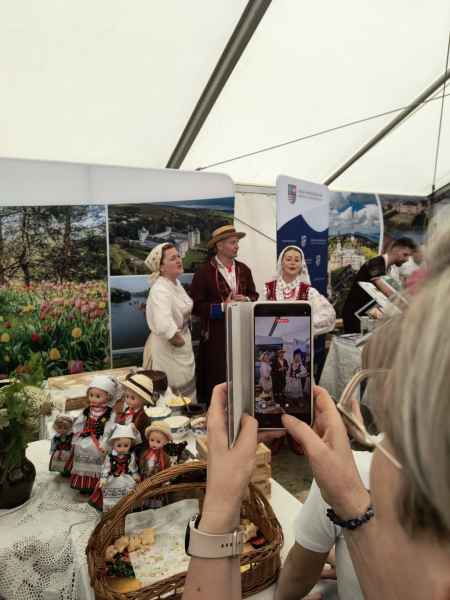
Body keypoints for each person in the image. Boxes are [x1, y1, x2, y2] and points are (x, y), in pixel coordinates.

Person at [182, 227, 450, 600]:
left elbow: (322, 316)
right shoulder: (232, 277)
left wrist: (220, 507)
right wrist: (350, 512)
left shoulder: (280, 283)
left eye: (385, 432)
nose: (367, 439)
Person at [190, 225, 258, 402]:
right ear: (219, 246)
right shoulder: (203, 273)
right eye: (232, 242)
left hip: (242, 334)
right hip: (216, 337)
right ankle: (216, 411)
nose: (237, 246)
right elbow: (196, 306)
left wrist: (246, 300)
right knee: (217, 377)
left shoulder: (244, 269)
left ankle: (242, 408)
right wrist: (222, 307)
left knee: (242, 375)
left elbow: (254, 295)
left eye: (237, 242)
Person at [143, 242, 196, 400]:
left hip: (183, 345)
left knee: (186, 390)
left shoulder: (175, 283)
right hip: (169, 351)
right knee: (173, 395)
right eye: (173, 258)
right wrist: (178, 339)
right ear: (161, 267)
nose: (179, 260)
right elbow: (163, 324)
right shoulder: (160, 289)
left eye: (178, 256)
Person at [342, 237, 416, 333]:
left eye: (409, 256)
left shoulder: (390, 268)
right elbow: (387, 291)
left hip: (368, 315)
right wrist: (406, 306)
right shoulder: (376, 263)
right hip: (355, 316)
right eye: (405, 255)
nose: (406, 259)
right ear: (395, 249)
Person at [265, 245, 336, 336]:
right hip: (272, 338)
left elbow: (329, 316)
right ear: (281, 263)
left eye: (297, 260)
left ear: (301, 265)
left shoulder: (309, 292)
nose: (292, 263)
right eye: (288, 259)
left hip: (300, 341)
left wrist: (302, 325)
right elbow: (259, 317)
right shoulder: (268, 289)